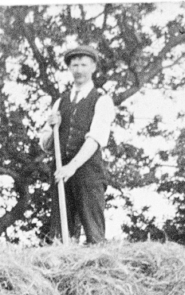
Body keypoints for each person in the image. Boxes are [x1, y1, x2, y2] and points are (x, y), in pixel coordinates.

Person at [38, 45, 116, 244]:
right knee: (61, 234)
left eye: (83, 64)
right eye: (75, 65)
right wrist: (51, 125)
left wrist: (71, 167)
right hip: (60, 172)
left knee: (94, 232)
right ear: (70, 69)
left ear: (93, 68)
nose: (79, 69)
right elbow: (46, 144)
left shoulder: (102, 100)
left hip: (87, 171)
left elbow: (95, 140)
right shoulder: (59, 103)